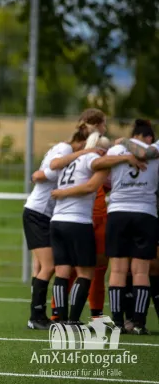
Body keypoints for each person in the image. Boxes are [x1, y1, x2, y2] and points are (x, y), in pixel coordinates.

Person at [24, 122, 101, 330]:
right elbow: (42, 174)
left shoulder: (71, 155)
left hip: (50, 215)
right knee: (49, 267)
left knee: (49, 267)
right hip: (38, 213)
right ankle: (36, 316)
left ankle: (45, 315)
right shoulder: (67, 150)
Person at [95, 119, 157, 334]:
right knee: (141, 272)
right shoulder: (155, 148)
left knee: (118, 270)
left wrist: (122, 144)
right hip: (145, 212)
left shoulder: (118, 148)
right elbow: (147, 154)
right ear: (149, 137)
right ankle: (139, 323)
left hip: (118, 211)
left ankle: (118, 323)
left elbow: (98, 166)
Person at [48, 133, 112, 323]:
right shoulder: (93, 160)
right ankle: (73, 319)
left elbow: (53, 166)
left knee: (62, 271)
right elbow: (90, 187)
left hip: (57, 220)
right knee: (85, 273)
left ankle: (59, 317)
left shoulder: (69, 161)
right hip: (78, 221)